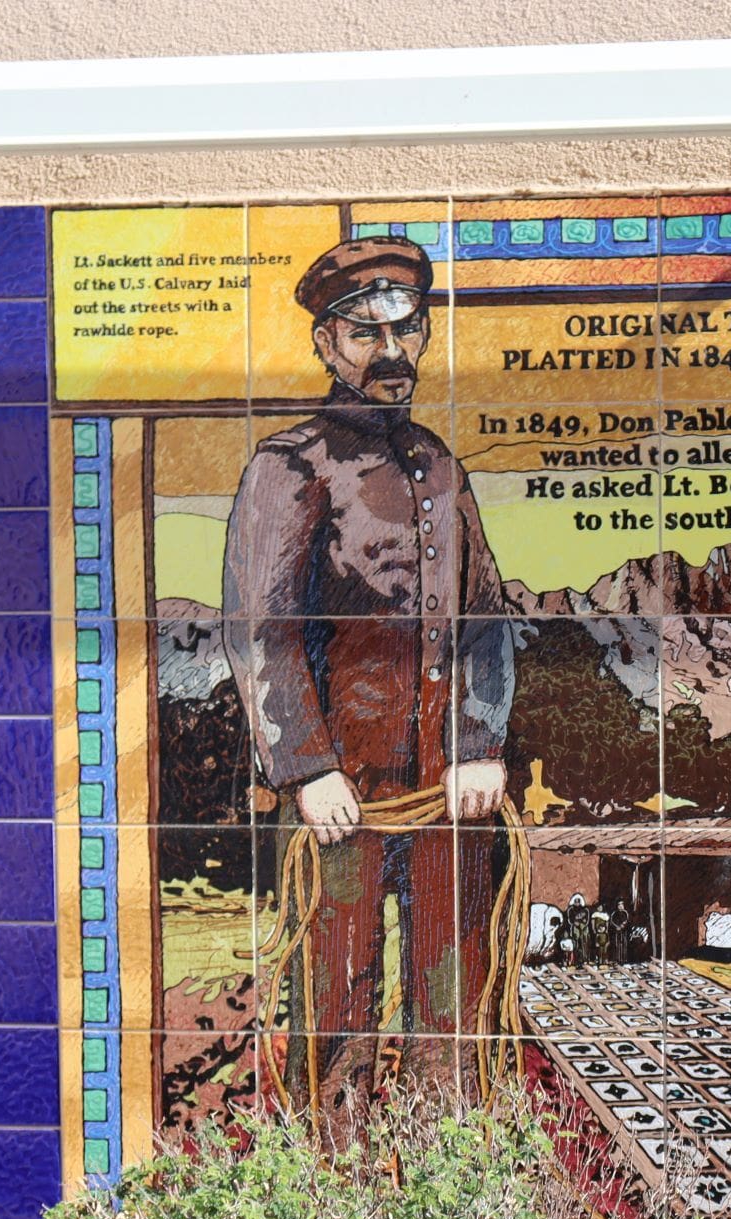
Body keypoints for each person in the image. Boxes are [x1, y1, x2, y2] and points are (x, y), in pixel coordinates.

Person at [222, 236, 516, 1103]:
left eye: (407, 329)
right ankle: (337, 1195)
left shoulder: (440, 464)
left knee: (451, 999)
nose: (391, 352)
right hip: (339, 803)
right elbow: (259, 632)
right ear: (327, 345)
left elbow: (484, 617)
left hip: (444, 798)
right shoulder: (289, 465)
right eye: (365, 333)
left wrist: (479, 740)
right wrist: (306, 770)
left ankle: (447, 1185)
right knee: (338, 1001)